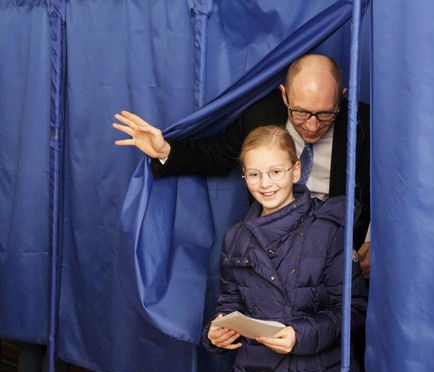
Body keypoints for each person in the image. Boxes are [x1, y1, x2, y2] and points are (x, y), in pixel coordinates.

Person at [112, 53, 371, 279]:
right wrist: (166, 151)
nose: (312, 125)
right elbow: (216, 154)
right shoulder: (261, 116)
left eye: (326, 114)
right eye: (301, 113)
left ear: (342, 98)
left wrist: (373, 242)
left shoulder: (364, 125)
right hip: (275, 253)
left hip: (340, 259)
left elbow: (393, 190)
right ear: (284, 96)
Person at [201, 125, 368, 372]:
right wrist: (216, 333)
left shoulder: (328, 231)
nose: (265, 184)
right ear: (244, 176)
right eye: (254, 174)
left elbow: (353, 310)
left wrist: (299, 335)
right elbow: (229, 303)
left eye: (276, 172)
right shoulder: (235, 237)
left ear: (296, 170)